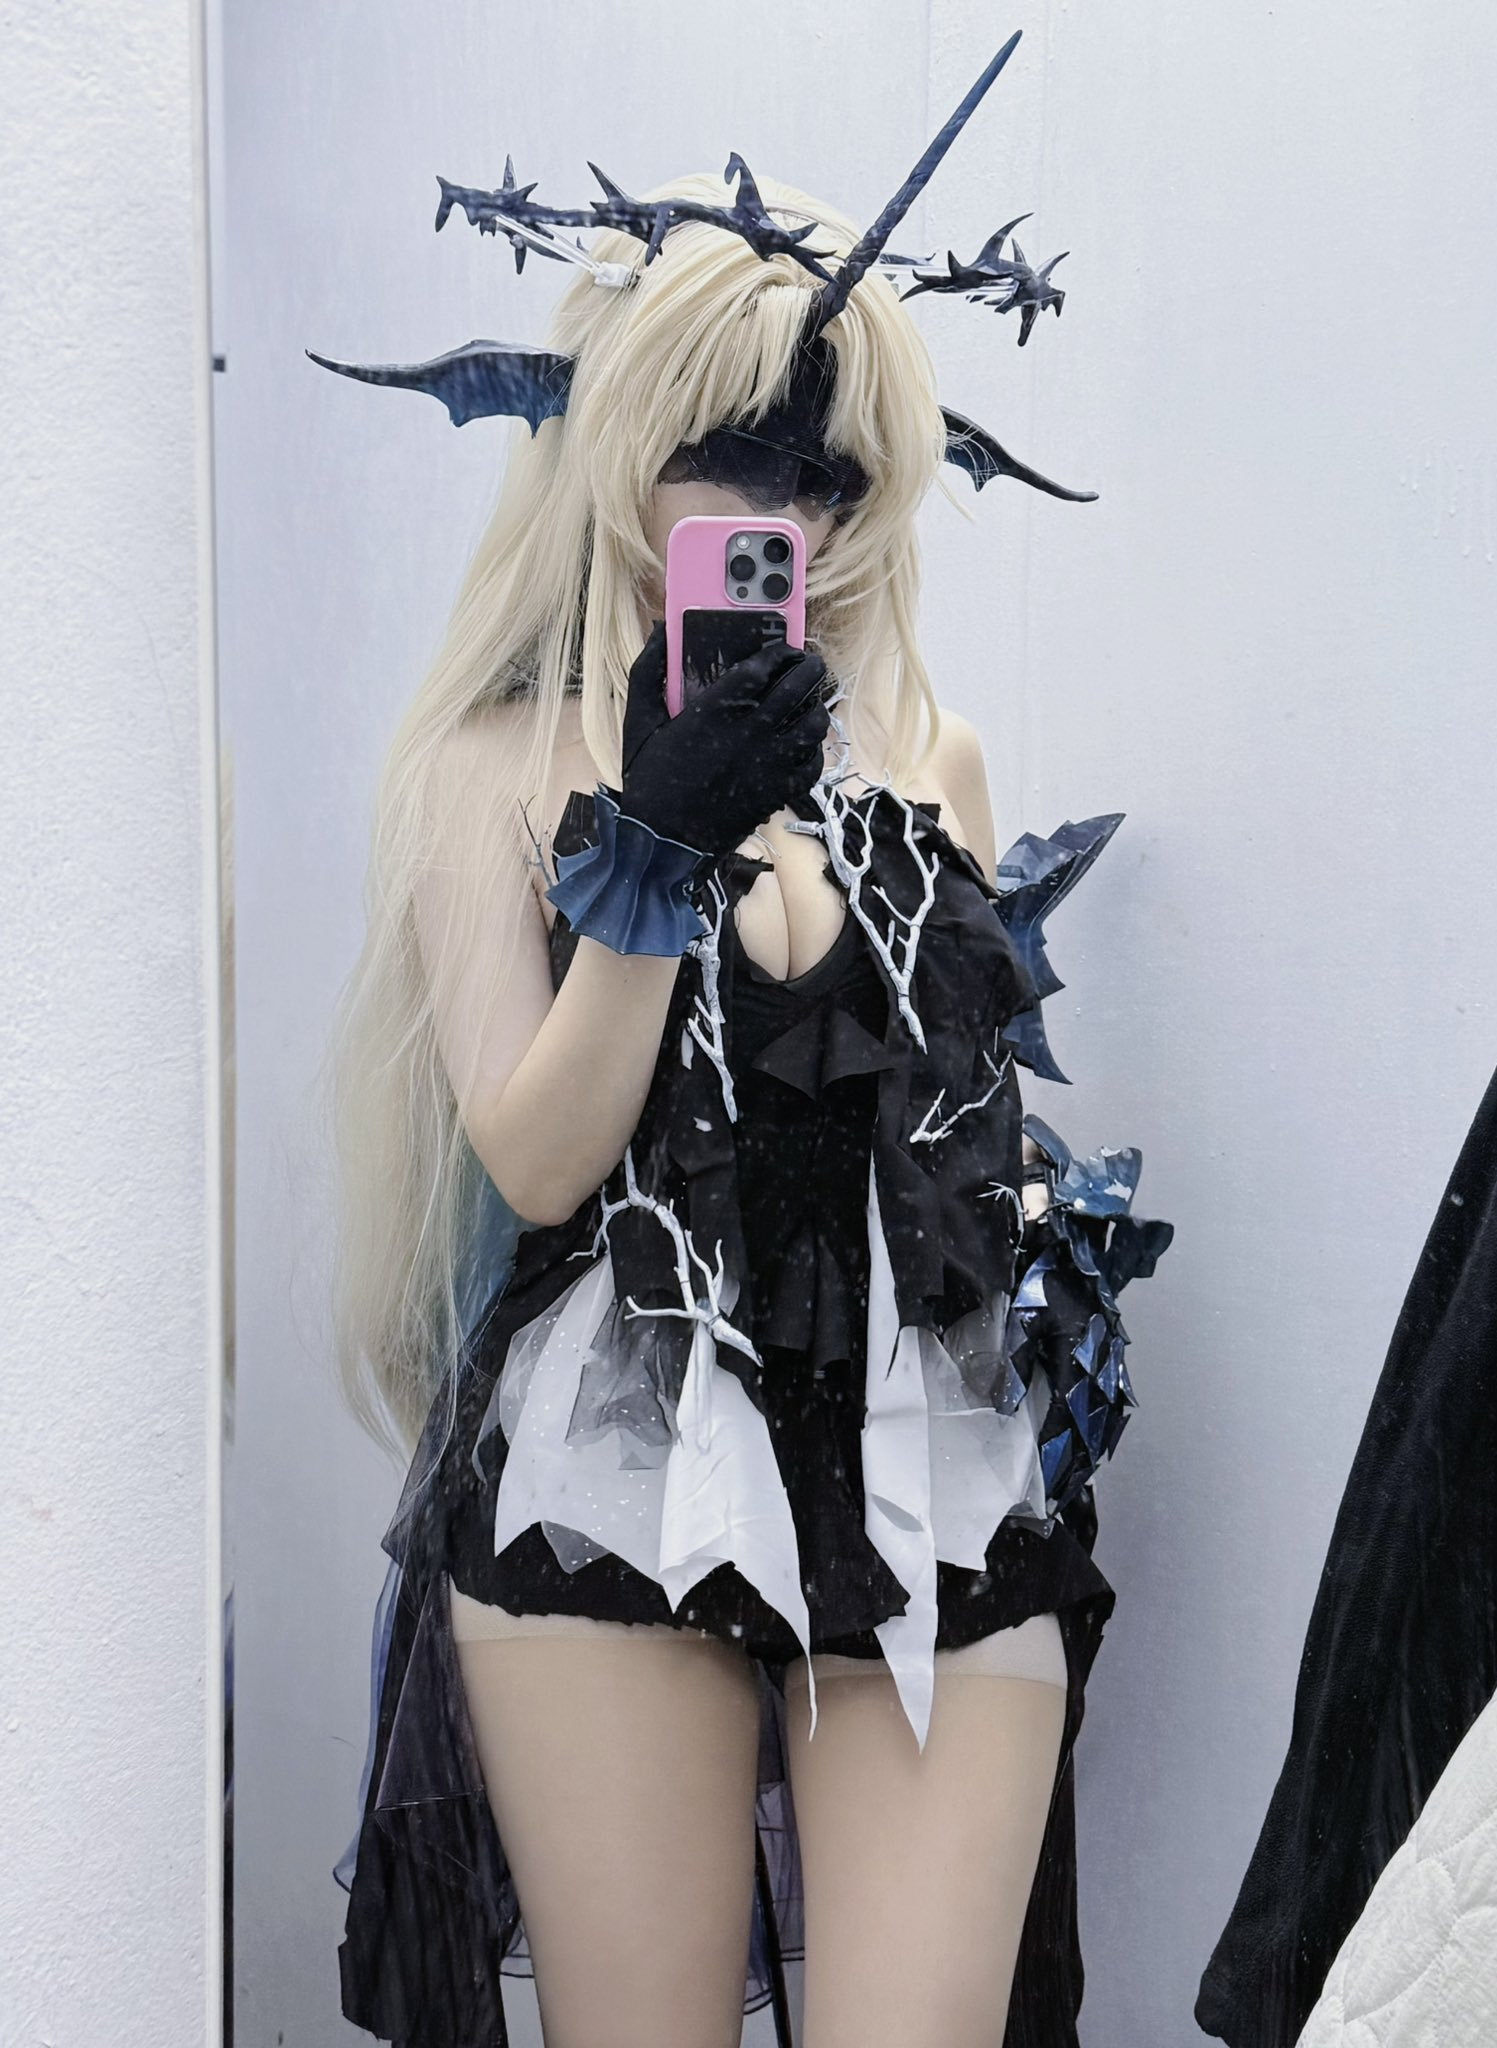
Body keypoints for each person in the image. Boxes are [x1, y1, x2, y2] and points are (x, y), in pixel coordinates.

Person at [317, 40, 1170, 2048]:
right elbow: (539, 1160)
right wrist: (657, 848)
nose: (778, 508)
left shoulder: (930, 755)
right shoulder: (488, 770)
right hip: (621, 1451)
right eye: (726, 451)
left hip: (926, 1456)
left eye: (825, 474)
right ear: (612, 445)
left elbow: (964, 1133)